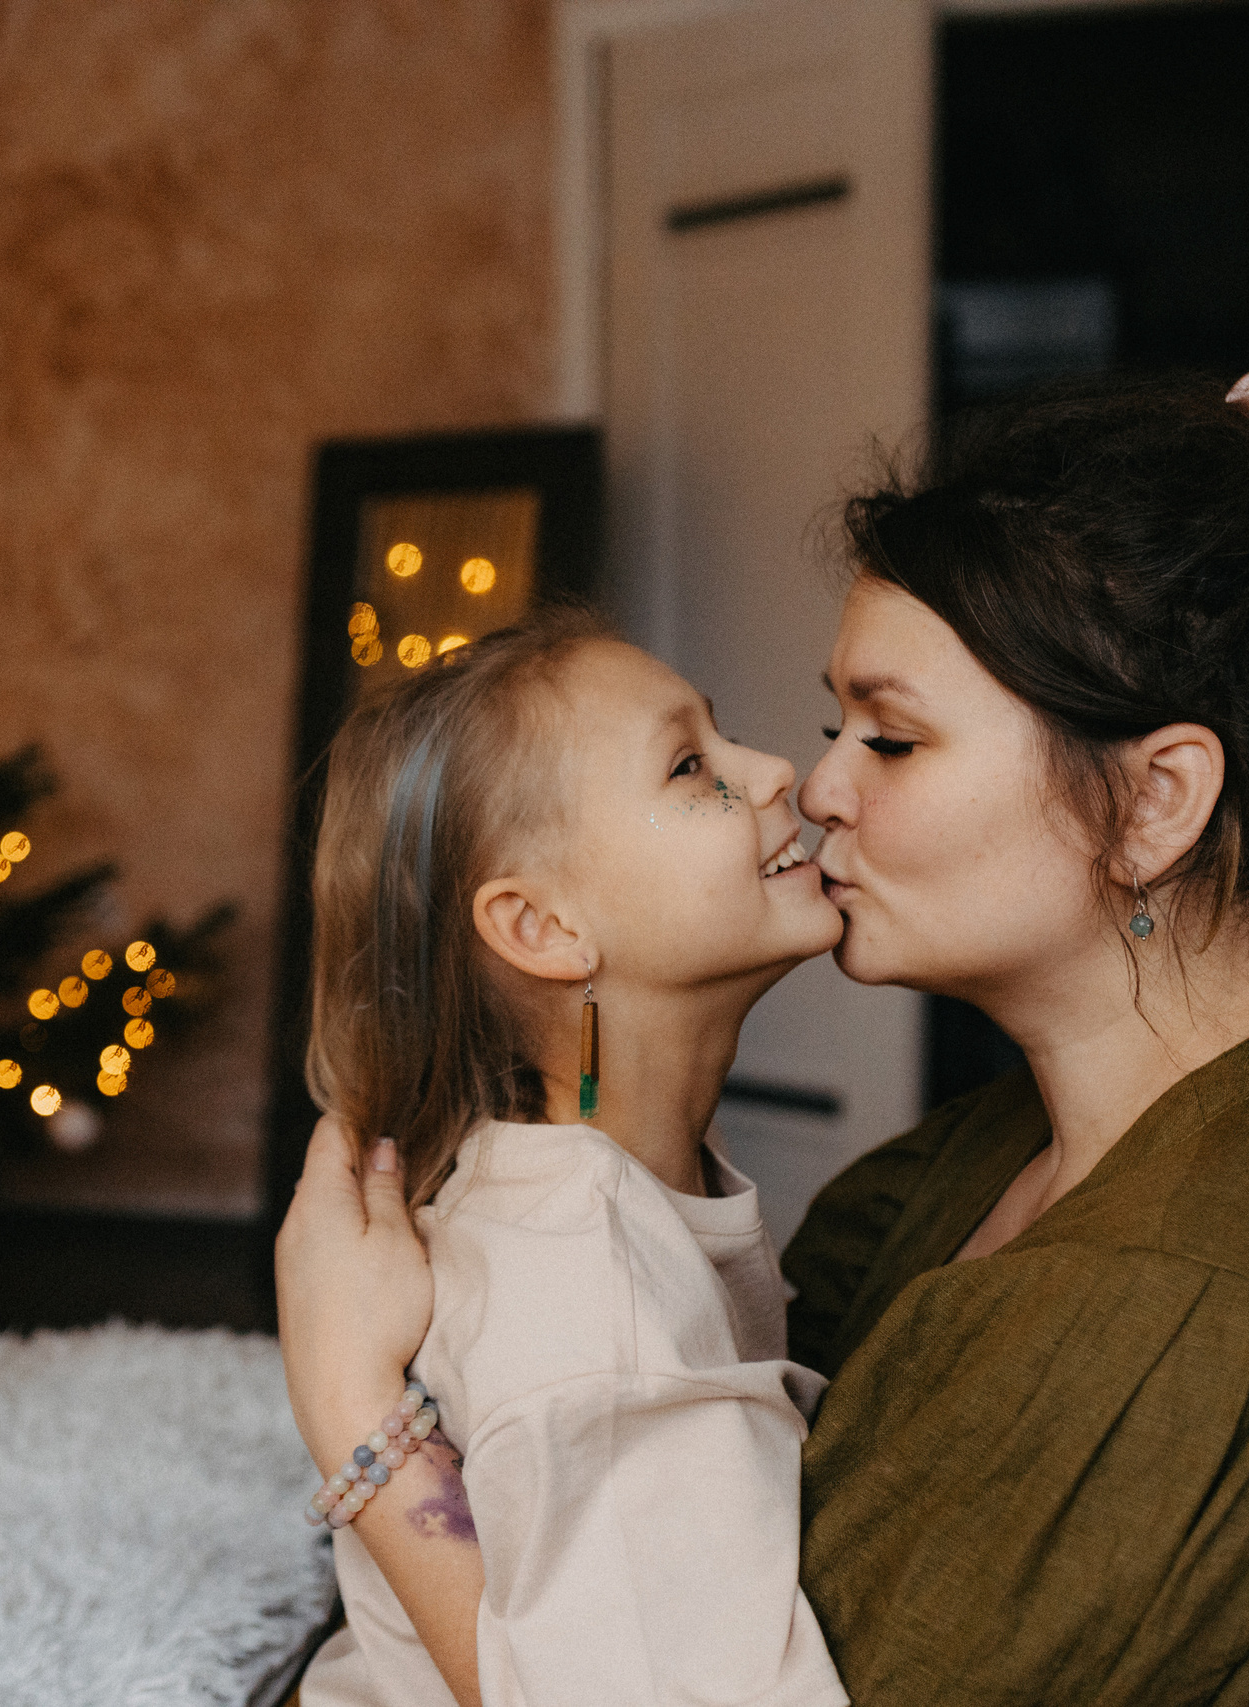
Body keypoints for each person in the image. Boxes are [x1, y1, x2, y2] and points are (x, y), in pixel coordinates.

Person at [276, 365, 1249, 1704]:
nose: (817, 783)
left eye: (897, 741)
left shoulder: (1183, 1309)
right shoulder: (973, 1166)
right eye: (830, 724)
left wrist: (358, 1415)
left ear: (1156, 801)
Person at [290, 610, 850, 1706]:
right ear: (541, 927)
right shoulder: (587, 1292)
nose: (780, 770)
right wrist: (350, 1415)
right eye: (690, 763)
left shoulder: (626, 1176)